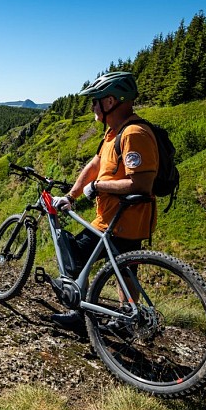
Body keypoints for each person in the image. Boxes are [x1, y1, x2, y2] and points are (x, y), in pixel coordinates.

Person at [50, 71, 158, 331]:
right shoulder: (113, 134)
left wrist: (97, 186)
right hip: (117, 219)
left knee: (72, 257)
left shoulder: (134, 134)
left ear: (110, 101)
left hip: (121, 221)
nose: (92, 107)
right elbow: (96, 164)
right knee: (123, 271)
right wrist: (71, 195)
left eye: (95, 100)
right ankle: (127, 318)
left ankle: (79, 316)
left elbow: (141, 183)